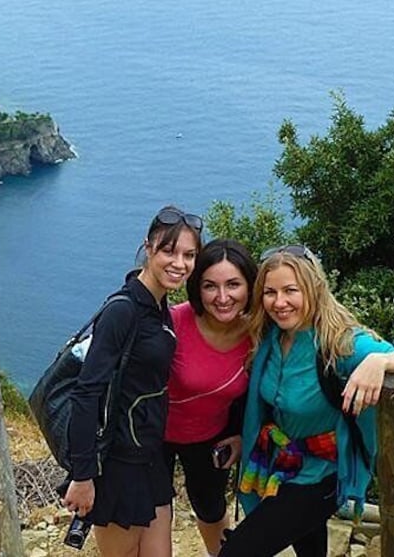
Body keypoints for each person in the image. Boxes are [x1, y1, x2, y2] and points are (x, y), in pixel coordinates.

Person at [219, 244, 394, 557]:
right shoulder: (271, 338)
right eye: (270, 292)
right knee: (309, 547)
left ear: (314, 290)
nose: (280, 302)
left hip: (323, 474)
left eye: (291, 290)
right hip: (283, 464)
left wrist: (378, 362)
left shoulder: (340, 343)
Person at [61, 205, 203, 557]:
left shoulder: (159, 308)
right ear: (148, 247)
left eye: (189, 255)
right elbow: (86, 392)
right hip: (118, 465)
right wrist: (82, 476)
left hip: (151, 458)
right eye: (169, 251)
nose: (179, 263)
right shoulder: (122, 311)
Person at [164, 239, 258, 557]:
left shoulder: (258, 335)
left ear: (250, 286)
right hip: (152, 438)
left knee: (211, 507)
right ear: (196, 287)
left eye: (233, 284)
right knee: (153, 514)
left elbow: (257, 393)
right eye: (210, 286)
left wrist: (241, 435)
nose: (222, 298)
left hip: (211, 437)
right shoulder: (173, 322)